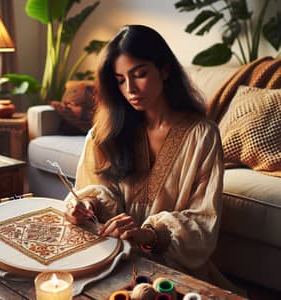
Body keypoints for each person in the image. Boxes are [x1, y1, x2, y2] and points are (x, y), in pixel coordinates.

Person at [65, 24, 240, 293]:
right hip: (110, 256)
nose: (130, 88)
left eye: (140, 74)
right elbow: (96, 187)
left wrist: (148, 235)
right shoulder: (106, 132)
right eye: (120, 79)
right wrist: (87, 204)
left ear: (165, 69)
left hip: (169, 268)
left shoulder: (202, 136)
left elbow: (203, 223)